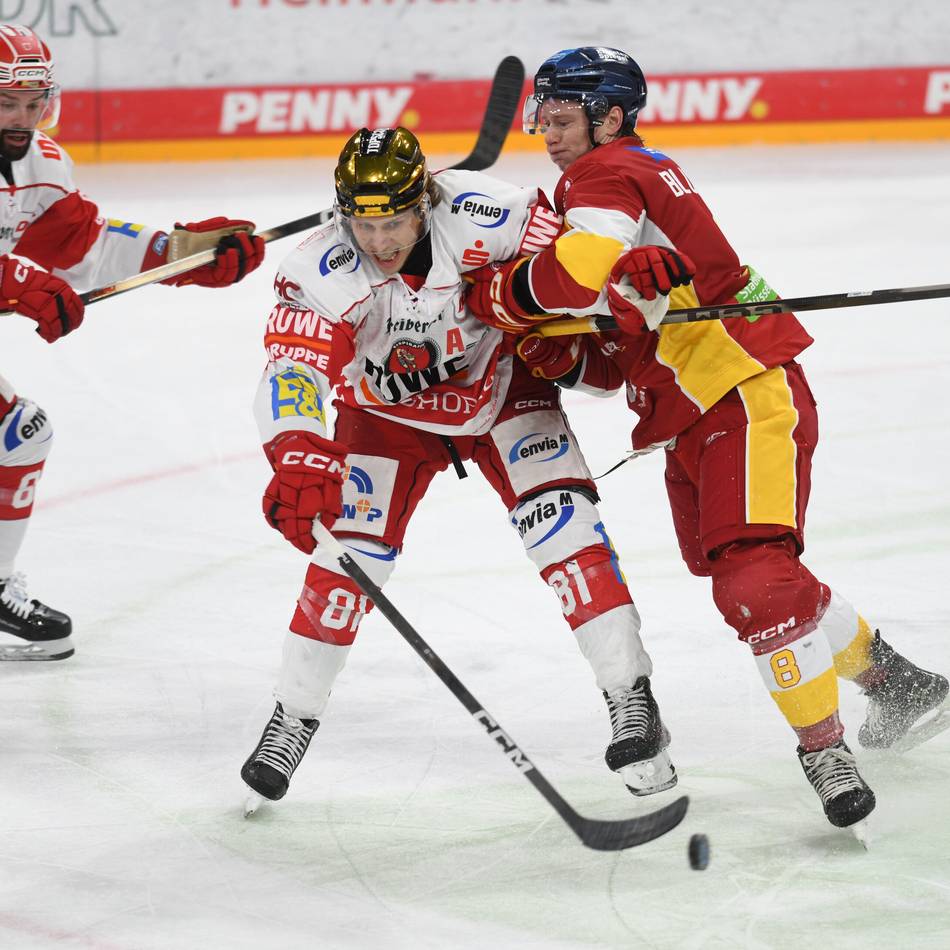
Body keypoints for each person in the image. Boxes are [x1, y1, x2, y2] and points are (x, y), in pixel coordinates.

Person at [462, 46, 948, 835]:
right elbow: (609, 356)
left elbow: (574, 272)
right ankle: (898, 684)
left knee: (753, 582)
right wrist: (565, 346)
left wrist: (496, 300)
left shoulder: (604, 174)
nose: (547, 135)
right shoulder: (611, 184)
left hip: (741, 387)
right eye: (541, 120)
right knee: (762, 577)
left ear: (610, 117)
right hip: (691, 408)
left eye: (561, 119)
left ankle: (823, 751)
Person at [240, 126, 678, 809]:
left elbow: (576, 267)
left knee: (566, 532)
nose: (379, 242)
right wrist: (296, 450)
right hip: (385, 418)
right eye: (363, 223)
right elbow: (291, 366)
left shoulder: (491, 213)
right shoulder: (319, 268)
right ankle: (291, 717)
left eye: (394, 222)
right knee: (345, 566)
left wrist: (626, 282)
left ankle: (631, 697)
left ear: (426, 203)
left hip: (503, 388)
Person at [0, 23, 265, 660]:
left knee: (18, 433)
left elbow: (83, 247)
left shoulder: (41, 166)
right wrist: (12, 281)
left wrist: (180, 256)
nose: (24, 118)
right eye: (8, 103)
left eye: (34, 104)